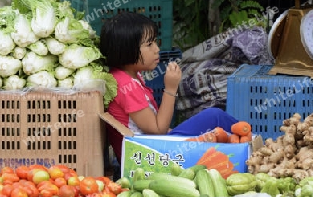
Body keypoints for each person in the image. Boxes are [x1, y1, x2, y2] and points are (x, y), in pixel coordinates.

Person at [100, 12, 239, 163]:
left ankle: (246, 140)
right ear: (126, 49)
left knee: (211, 127)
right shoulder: (126, 85)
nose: (157, 49)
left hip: (152, 146)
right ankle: (252, 141)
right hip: (149, 155)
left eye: (155, 42)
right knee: (214, 116)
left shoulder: (128, 77)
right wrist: (171, 88)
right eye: (149, 44)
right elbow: (157, 129)